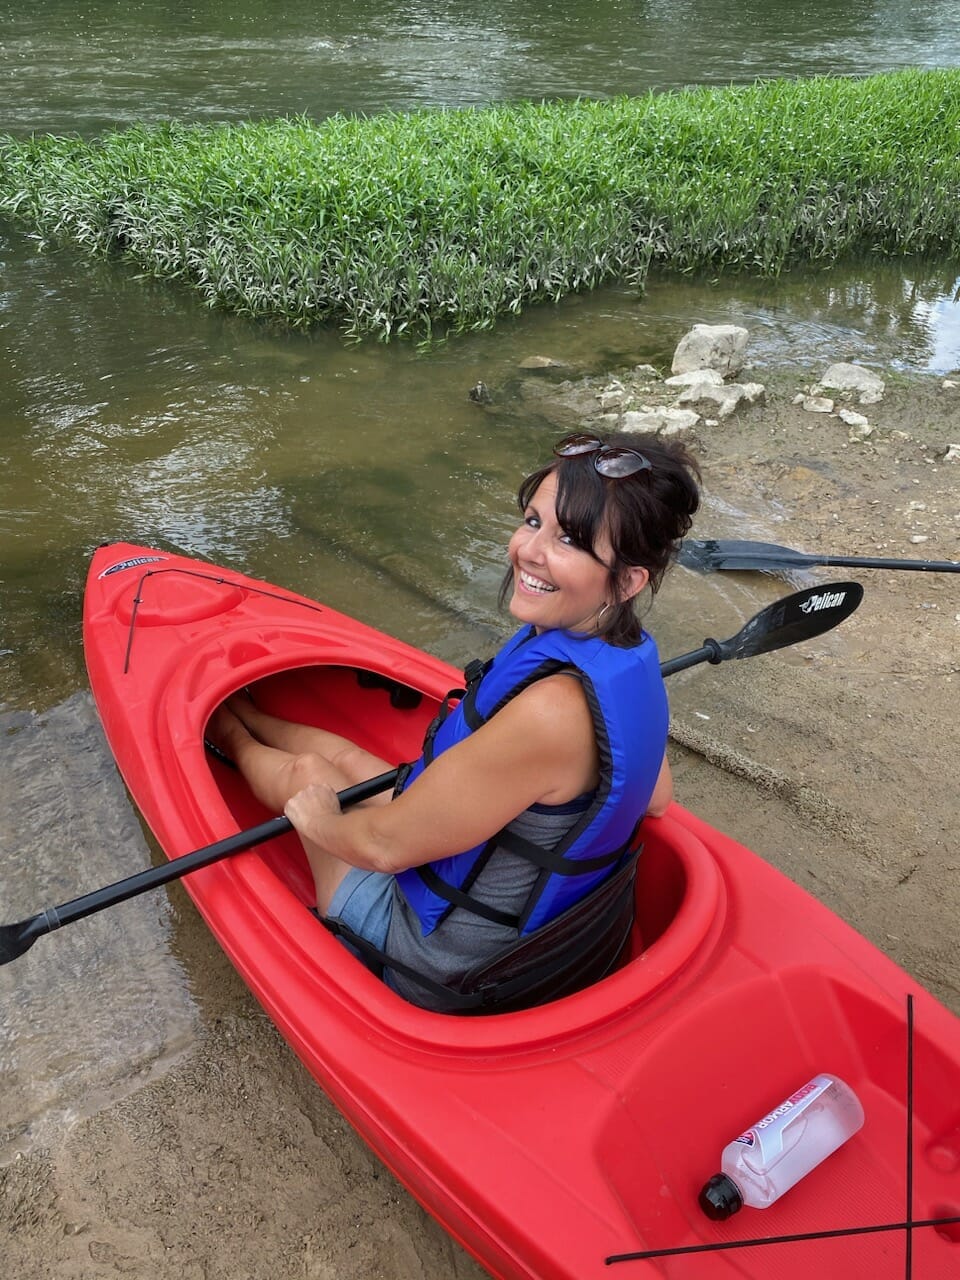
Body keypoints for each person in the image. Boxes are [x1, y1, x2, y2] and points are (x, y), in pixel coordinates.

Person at [207, 431, 700, 1011]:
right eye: (532, 521)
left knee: (309, 778)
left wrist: (316, 824)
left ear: (628, 579)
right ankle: (249, 709)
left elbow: (385, 850)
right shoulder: (626, 655)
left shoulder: (553, 711)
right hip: (536, 939)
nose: (528, 550)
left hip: (438, 965)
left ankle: (227, 734)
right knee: (343, 761)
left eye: (567, 539)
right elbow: (656, 796)